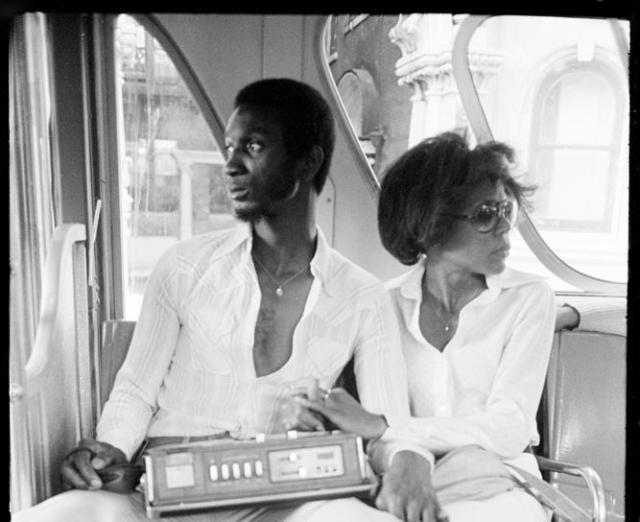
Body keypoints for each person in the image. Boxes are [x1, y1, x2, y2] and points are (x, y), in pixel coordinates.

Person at [13, 78, 440, 522]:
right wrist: (107, 450)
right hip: (162, 492)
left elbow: (390, 425)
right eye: (229, 147)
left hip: (289, 499)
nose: (230, 164)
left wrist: (411, 460)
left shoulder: (364, 296)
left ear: (308, 161)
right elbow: (136, 390)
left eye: (253, 146)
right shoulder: (182, 266)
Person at [298, 132, 556, 522]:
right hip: (399, 478)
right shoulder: (380, 305)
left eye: (508, 211)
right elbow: (379, 436)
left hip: (498, 483)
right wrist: (392, 443)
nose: (505, 228)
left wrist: (387, 428)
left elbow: (510, 429)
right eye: (486, 214)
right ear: (427, 225)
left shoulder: (529, 298)